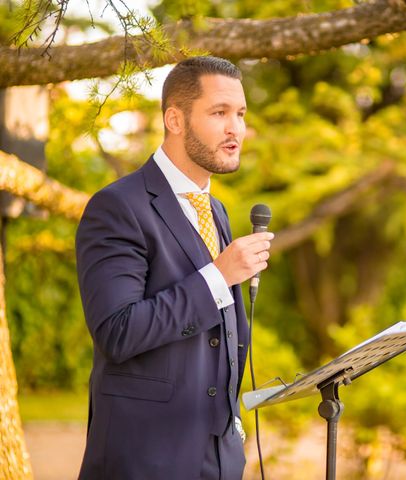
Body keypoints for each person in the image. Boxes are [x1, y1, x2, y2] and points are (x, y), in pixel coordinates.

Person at [75, 56, 272, 479]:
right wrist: (219, 276)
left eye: (239, 114)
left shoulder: (215, 209)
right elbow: (118, 330)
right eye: (219, 113)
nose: (235, 129)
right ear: (175, 119)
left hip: (216, 462)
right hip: (144, 461)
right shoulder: (116, 207)